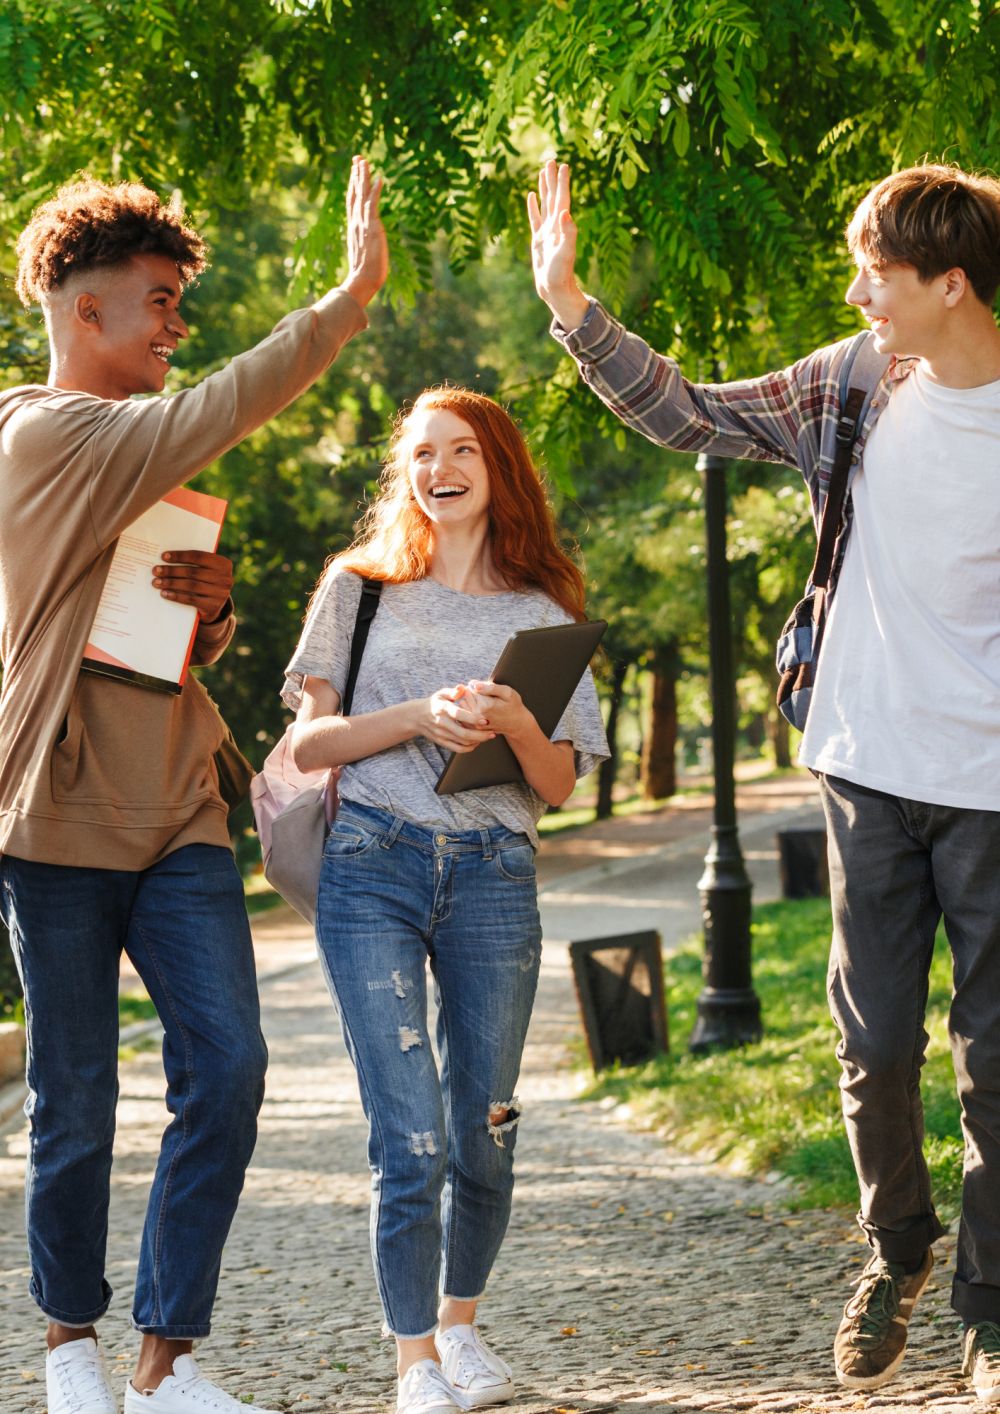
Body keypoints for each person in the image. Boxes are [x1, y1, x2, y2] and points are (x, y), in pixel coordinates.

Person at [528, 159, 1000, 1401]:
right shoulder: (856, 383)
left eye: (876, 275)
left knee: (995, 1054)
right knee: (874, 1043)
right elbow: (690, 414)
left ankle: (991, 1315)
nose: (857, 293)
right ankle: (896, 1247)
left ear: (952, 284)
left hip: (994, 782)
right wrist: (573, 307)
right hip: (864, 760)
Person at [0, 157, 387, 1414]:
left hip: (175, 810)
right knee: (76, 1093)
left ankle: (168, 1364)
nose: (177, 325)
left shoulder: (130, 463)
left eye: (181, 304)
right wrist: (343, 302)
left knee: (226, 1063)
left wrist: (210, 617)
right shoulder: (48, 433)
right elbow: (221, 405)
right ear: (84, 310)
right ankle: (71, 1348)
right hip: (55, 817)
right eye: (159, 301)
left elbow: (135, 631)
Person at [282, 386, 609, 1414]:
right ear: (405, 471)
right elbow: (307, 747)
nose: (439, 467)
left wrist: (513, 721)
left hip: (495, 876)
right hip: (371, 860)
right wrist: (419, 715)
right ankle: (412, 1361)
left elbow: (555, 786)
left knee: (483, 1124)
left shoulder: (542, 613)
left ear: (497, 466)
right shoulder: (360, 587)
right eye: (421, 452)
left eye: (461, 448)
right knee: (409, 1129)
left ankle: (461, 1328)